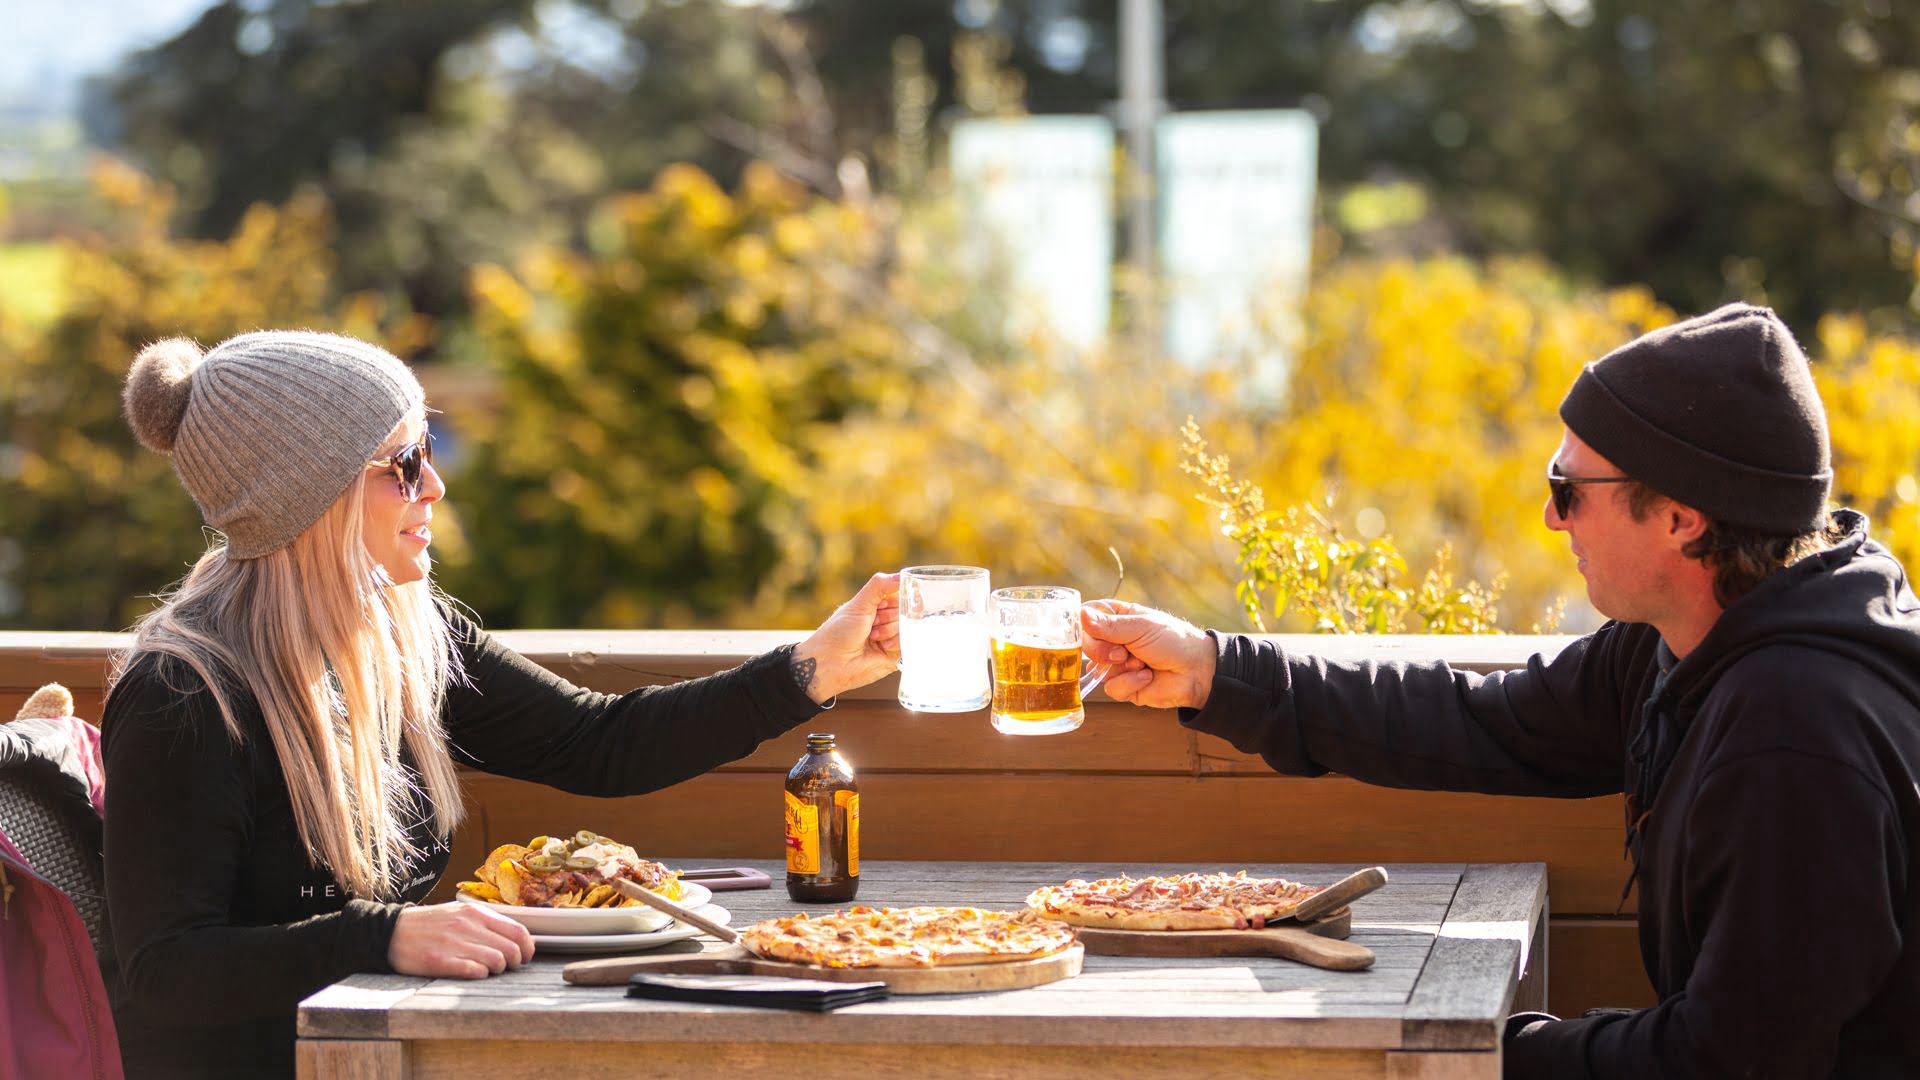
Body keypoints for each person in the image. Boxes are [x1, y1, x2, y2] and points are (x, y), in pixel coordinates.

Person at [1080, 304, 1920, 1078]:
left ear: (1680, 518)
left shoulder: (1797, 740)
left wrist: (1481, 1049)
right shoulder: (1690, 644)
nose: (1552, 519)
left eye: (1569, 490)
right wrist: (1214, 670)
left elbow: (1726, 1062)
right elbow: (1480, 720)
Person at [101, 331, 901, 1078]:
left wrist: (813, 669)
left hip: (393, 1047)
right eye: (406, 463)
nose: (436, 485)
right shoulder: (184, 696)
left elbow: (600, 743)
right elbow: (166, 971)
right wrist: (381, 936)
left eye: (429, 450)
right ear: (308, 497)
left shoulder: (403, 634)